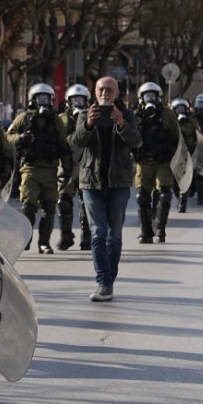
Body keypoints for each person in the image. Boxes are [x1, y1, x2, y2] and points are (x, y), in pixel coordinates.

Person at [70, 76, 140, 302]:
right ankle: (103, 282)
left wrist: (121, 124)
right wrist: (88, 125)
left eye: (109, 90)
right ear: (95, 92)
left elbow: (136, 141)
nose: (104, 93)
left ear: (117, 93)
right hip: (91, 182)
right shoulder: (85, 113)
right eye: (101, 89)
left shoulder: (127, 115)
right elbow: (76, 142)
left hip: (118, 182)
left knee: (115, 236)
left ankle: (109, 280)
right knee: (98, 233)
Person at [7, 83, 69, 254]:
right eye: (39, 98)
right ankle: (26, 238)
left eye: (46, 98)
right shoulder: (24, 118)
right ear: (32, 100)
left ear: (52, 100)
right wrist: (21, 138)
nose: (43, 102)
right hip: (30, 170)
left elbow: (64, 146)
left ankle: (44, 243)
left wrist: (67, 168)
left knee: (49, 209)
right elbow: (8, 136)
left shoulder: (56, 121)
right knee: (29, 206)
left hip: (50, 170)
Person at [132, 82, 180, 244]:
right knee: (142, 197)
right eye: (147, 96)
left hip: (162, 162)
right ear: (141, 98)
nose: (150, 99)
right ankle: (146, 232)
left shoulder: (168, 115)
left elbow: (176, 138)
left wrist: (171, 153)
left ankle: (160, 229)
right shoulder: (136, 115)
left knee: (165, 195)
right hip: (143, 161)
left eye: (153, 96)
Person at [57, 84, 92, 249]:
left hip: (86, 165)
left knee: (86, 202)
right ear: (67, 102)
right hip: (67, 166)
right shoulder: (61, 120)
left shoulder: (91, 119)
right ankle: (66, 236)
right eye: (74, 100)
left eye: (81, 100)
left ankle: (87, 236)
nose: (77, 103)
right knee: (63, 201)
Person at [170, 98, 198, 213]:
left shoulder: (192, 122)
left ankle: (183, 203)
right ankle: (179, 196)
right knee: (173, 182)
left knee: (184, 180)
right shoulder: (171, 122)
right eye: (178, 108)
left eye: (183, 108)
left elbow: (198, 136)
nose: (180, 110)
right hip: (173, 154)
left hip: (187, 154)